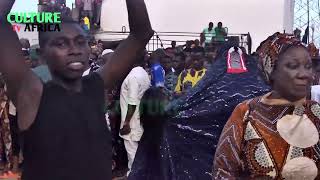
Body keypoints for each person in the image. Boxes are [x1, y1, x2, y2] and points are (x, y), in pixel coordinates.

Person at [0, 0, 153, 179]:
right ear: (43, 54)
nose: (75, 50)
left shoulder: (95, 85)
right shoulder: (32, 92)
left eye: (81, 42)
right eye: (62, 44)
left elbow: (141, 34)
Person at [213, 33, 320, 179]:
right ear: (272, 70)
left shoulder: (315, 113)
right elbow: (223, 171)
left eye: (308, 66)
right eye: (293, 66)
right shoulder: (246, 113)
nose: (305, 74)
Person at [119, 63, 151, 176]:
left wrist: (126, 123)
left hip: (132, 120)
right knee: (140, 150)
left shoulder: (132, 77)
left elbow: (132, 103)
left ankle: (134, 175)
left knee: (132, 150)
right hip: (141, 117)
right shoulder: (143, 73)